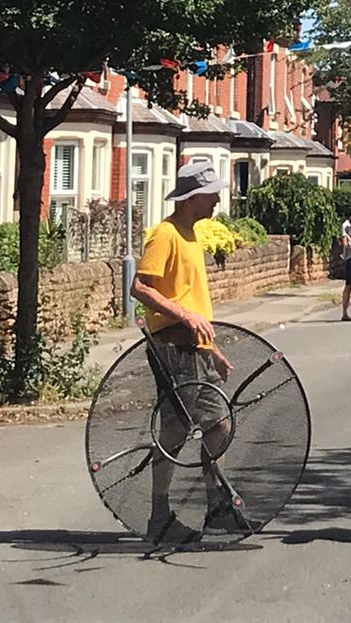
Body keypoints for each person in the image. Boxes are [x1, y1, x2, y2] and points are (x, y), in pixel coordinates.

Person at [131, 160, 238, 543]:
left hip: (193, 346)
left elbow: (192, 301)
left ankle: (211, 508)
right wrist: (184, 316)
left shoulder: (191, 234)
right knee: (183, 429)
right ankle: (165, 514)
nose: (217, 201)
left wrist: (213, 349)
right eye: (211, 195)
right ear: (192, 197)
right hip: (174, 346)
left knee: (211, 427)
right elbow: (140, 287)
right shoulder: (166, 234)